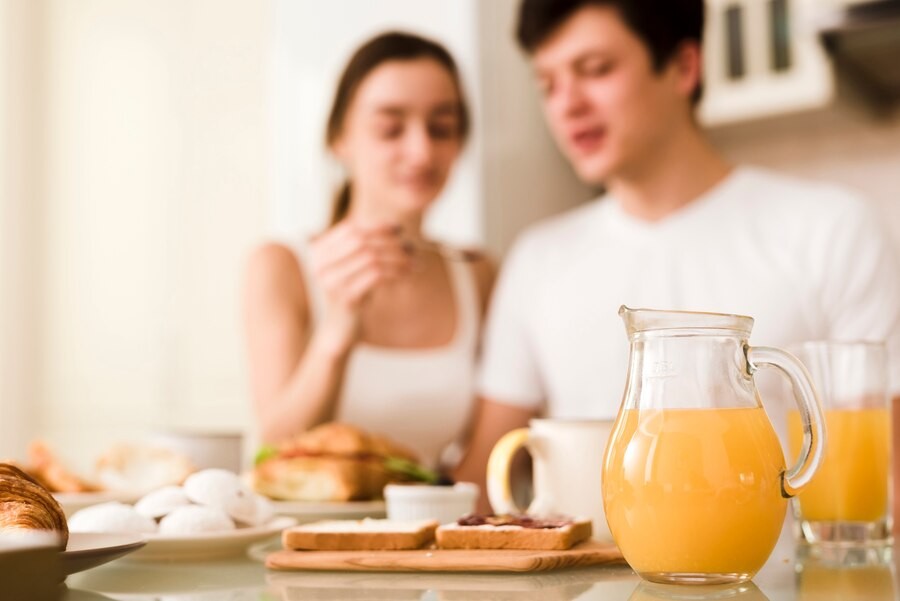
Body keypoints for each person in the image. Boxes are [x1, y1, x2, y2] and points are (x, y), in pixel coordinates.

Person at [455, 0, 900, 500]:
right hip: (582, 577)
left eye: (596, 70)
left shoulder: (831, 229)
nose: (566, 104)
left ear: (684, 67)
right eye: (548, 85)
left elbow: (886, 477)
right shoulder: (538, 259)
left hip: (777, 575)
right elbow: (480, 477)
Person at [244, 31, 495, 470]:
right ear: (340, 138)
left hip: (437, 534)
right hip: (310, 535)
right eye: (390, 128)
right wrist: (337, 332)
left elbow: (487, 450)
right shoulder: (281, 267)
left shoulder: (478, 275)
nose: (420, 152)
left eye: (441, 128)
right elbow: (274, 454)